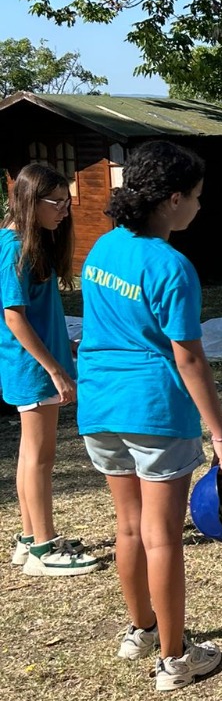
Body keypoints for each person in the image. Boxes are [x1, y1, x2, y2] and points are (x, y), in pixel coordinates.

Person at [77, 140, 222, 689]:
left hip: (99, 405)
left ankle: (141, 628)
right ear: (171, 199)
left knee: (128, 526)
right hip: (153, 407)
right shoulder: (172, 266)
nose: (199, 205)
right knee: (163, 534)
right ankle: (175, 658)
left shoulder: (101, 249)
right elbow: (188, 355)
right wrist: (220, 432)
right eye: (195, 196)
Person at [1, 163, 99, 575]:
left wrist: (68, 345)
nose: (64, 210)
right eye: (56, 202)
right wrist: (56, 369)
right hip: (32, 370)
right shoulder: (13, 247)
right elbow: (14, 317)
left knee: (30, 456)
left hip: (41, 364)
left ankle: (28, 538)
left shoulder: (29, 243)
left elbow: (39, 314)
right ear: (29, 201)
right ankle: (44, 547)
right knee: (40, 459)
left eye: (67, 202)